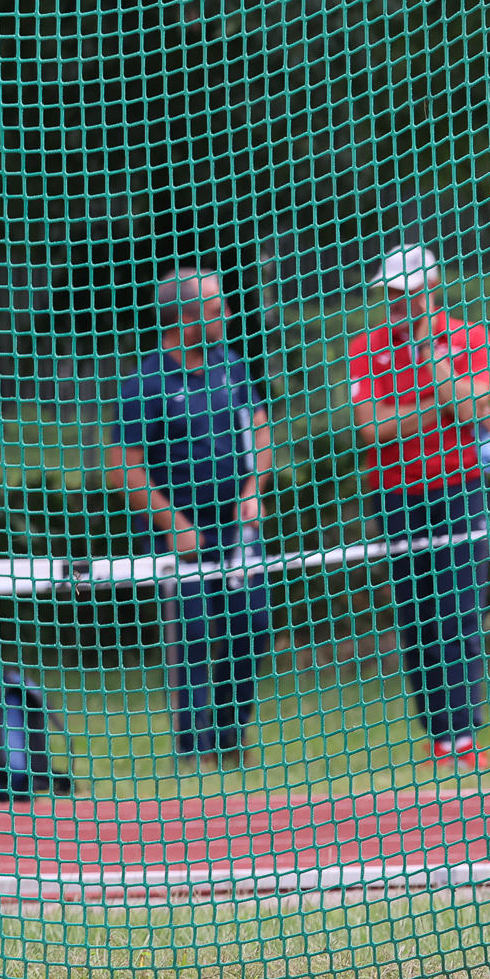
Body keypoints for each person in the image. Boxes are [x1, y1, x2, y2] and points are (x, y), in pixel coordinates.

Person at [108, 268, 274, 762]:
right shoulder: (145, 382)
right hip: (178, 536)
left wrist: (253, 491)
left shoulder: (232, 366)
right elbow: (123, 469)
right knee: (193, 635)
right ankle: (193, 744)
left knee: (253, 625)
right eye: (217, 308)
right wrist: (174, 525)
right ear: (185, 316)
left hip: (236, 529)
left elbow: (262, 432)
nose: (228, 314)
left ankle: (228, 735)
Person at [347, 245, 490, 769]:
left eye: (406, 293)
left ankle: (463, 733)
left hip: (459, 489)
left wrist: (431, 355)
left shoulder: (469, 337)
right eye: (390, 294)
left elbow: (473, 406)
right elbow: (373, 428)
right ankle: (438, 732)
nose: (396, 303)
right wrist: (440, 406)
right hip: (395, 496)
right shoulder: (366, 347)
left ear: (431, 290)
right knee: (415, 615)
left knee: (459, 609)